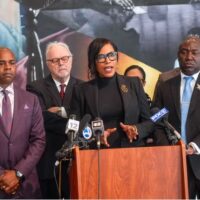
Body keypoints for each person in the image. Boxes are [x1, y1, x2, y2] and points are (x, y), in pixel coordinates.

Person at [70, 38, 153, 148]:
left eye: (111, 55)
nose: (107, 60)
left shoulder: (134, 84)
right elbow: (74, 129)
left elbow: (149, 123)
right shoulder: (81, 91)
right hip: (98, 155)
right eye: (101, 57)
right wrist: (95, 137)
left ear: (116, 58)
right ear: (93, 62)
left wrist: (136, 129)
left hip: (132, 153)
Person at [26, 41, 82, 199]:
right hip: (50, 164)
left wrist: (61, 111)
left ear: (71, 59)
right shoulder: (35, 88)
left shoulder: (84, 87)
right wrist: (76, 120)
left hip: (78, 162)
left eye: (64, 58)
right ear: (47, 64)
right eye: (55, 60)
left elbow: (87, 116)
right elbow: (41, 118)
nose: (61, 63)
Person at [153, 35, 200, 198]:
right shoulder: (166, 84)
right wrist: (169, 147)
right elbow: (157, 117)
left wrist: (195, 145)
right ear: (178, 55)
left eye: (195, 53)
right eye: (184, 52)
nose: (189, 57)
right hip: (174, 161)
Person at [0, 47, 45, 198]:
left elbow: (38, 140)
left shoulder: (31, 100)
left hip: (27, 186)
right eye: (1, 63)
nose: (7, 67)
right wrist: (3, 177)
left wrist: (18, 173)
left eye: (11, 62)